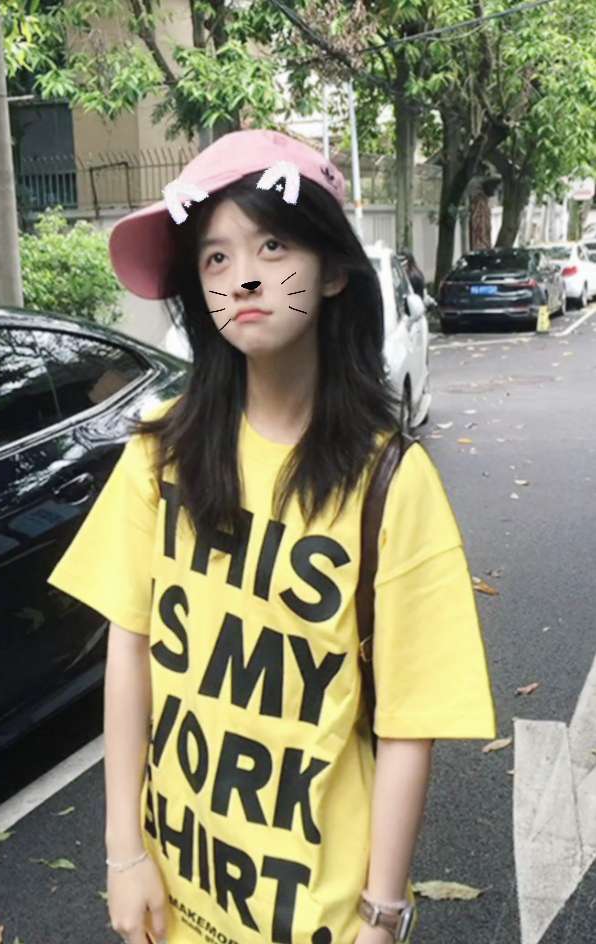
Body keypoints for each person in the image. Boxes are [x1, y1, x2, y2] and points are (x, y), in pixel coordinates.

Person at [47, 129, 497, 944]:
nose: (244, 277)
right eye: (215, 258)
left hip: (317, 912)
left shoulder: (391, 482)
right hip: (172, 891)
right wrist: (123, 852)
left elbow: (408, 722)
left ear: (333, 272)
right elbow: (131, 648)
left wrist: (382, 916)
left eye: (273, 245)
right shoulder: (162, 449)